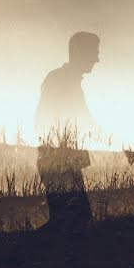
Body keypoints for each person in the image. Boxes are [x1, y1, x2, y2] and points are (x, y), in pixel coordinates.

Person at [34, 31, 100, 231]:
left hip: (61, 160)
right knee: (74, 221)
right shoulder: (61, 80)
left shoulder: (66, 81)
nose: (97, 59)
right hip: (59, 161)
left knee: (70, 221)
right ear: (80, 52)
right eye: (94, 53)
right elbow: (47, 120)